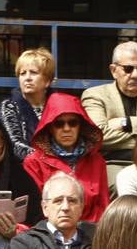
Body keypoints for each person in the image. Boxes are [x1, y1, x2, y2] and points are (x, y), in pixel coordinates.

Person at [22, 94, 109, 222]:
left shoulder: (97, 161)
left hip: (91, 234)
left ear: (81, 126)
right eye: (59, 124)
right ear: (50, 127)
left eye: (73, 123)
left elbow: (103, 207)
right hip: (49, 234)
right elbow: (36, 211)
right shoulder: (33, 163)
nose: (67, 129)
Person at [0, 48, 55, 162]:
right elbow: (15, 145)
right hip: (23, 170)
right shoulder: (9, 106)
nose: (27, 78)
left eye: (33, 72)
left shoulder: (58, 104)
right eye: (22, 73)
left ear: (47, 80)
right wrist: (49, 162)